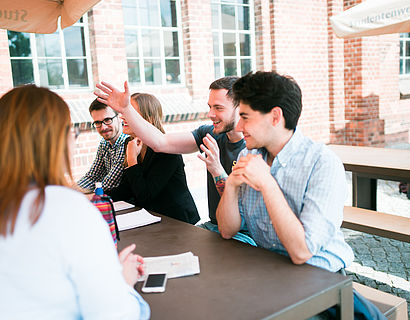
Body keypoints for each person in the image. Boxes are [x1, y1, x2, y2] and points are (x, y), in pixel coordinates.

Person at [0, 85, 150, 319]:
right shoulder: (68, 211)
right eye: (72, 132)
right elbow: (114, 314)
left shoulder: (126, 144)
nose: (102, 127)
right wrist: (122, 281)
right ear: (56, 140)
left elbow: (106, 183)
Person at [216, 71, 354, 273]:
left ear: (275, 117)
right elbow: (227, 231)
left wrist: (267, 183)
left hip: (321, 275)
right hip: (270, 269)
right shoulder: (250, 154)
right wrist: (231, 185)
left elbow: (302, 252)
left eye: (245, 117)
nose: (238, 126)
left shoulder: (322, 163)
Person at [94, 77, 256, 246]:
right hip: (213, 227)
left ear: (240, 108)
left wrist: (217, 170)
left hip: (244, 235)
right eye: (210, 107)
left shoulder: (253, 148)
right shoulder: (209, 134)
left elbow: (242, 212)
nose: (210, 114)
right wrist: (126, 109)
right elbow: (160, 142)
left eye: (218, 108)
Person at [107, 93, 200, 225]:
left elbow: (145, 196)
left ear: (148, 119)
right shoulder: (131, 142)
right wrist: (97, 198)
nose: (122, 116)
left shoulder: (168, 150)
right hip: (151, 217)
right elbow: (126, 189)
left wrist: (132, 160)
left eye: (130, 112)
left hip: (177, 222)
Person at [77, 99, 128, 193]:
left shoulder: (126, 143)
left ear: (120, 117)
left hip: (130, 204)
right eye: (97, 123)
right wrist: (70, 191)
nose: (103, 127)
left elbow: (109, 184)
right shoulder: (104, 143)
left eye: (107, 120)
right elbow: (93, 176)